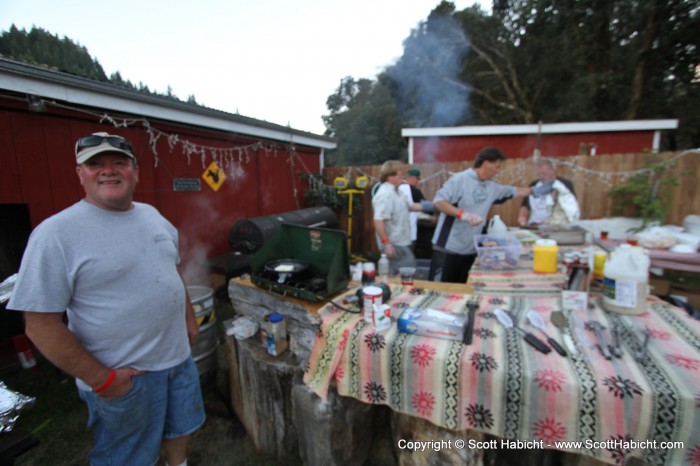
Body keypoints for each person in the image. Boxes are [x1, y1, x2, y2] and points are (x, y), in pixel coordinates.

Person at [7, 132, 205, 466]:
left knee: (180, 429)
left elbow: (171, 270)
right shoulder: (55, 234)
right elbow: (40, 325)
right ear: (80, 174)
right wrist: (104, 380)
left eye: (119, 163)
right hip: (125, 378)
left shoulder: (152, 216)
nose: (108, 171)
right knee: (128, 457)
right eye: (95, 164)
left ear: (135, 171)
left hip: (177, 361)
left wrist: (187, 316)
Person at [430, 147, 553, 283]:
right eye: (497, 166)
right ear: (486, 163)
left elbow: (513, 191)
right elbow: (439, 202)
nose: (498, 170)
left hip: (470, 250)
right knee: (440, 289)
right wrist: (463, 215)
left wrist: (536, 191)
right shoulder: (460, 180)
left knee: (461, 291)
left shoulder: (491, 187)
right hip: (447, 248)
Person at [372, 160, 425, 274]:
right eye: (400, 174)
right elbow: (378, 220)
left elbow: (410, 206)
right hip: (394, 244)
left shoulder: (398, 191)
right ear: (389, 176)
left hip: (402, 242)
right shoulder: (385, 195)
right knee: (405, 274)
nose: (403, 176)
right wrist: (387, 244)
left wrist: (434, 206)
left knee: (400, 275)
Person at [518, 157, 580, 226]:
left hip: (556, 227)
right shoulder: (534, 185)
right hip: (534, 225)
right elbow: (525, 205)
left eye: (544, 174)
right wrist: (522, 216)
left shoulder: (564, 185)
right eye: (539, 174)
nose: (541, 177)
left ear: (552, 170)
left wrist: (551, 221)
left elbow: (571, 209)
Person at [398, 168, 428, 249]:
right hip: (409, 233)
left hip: (396, 233)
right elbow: (426, 207)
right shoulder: (414, 191)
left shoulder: (397, 189)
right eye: (418, 180)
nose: (418, 182)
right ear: (413, 178)